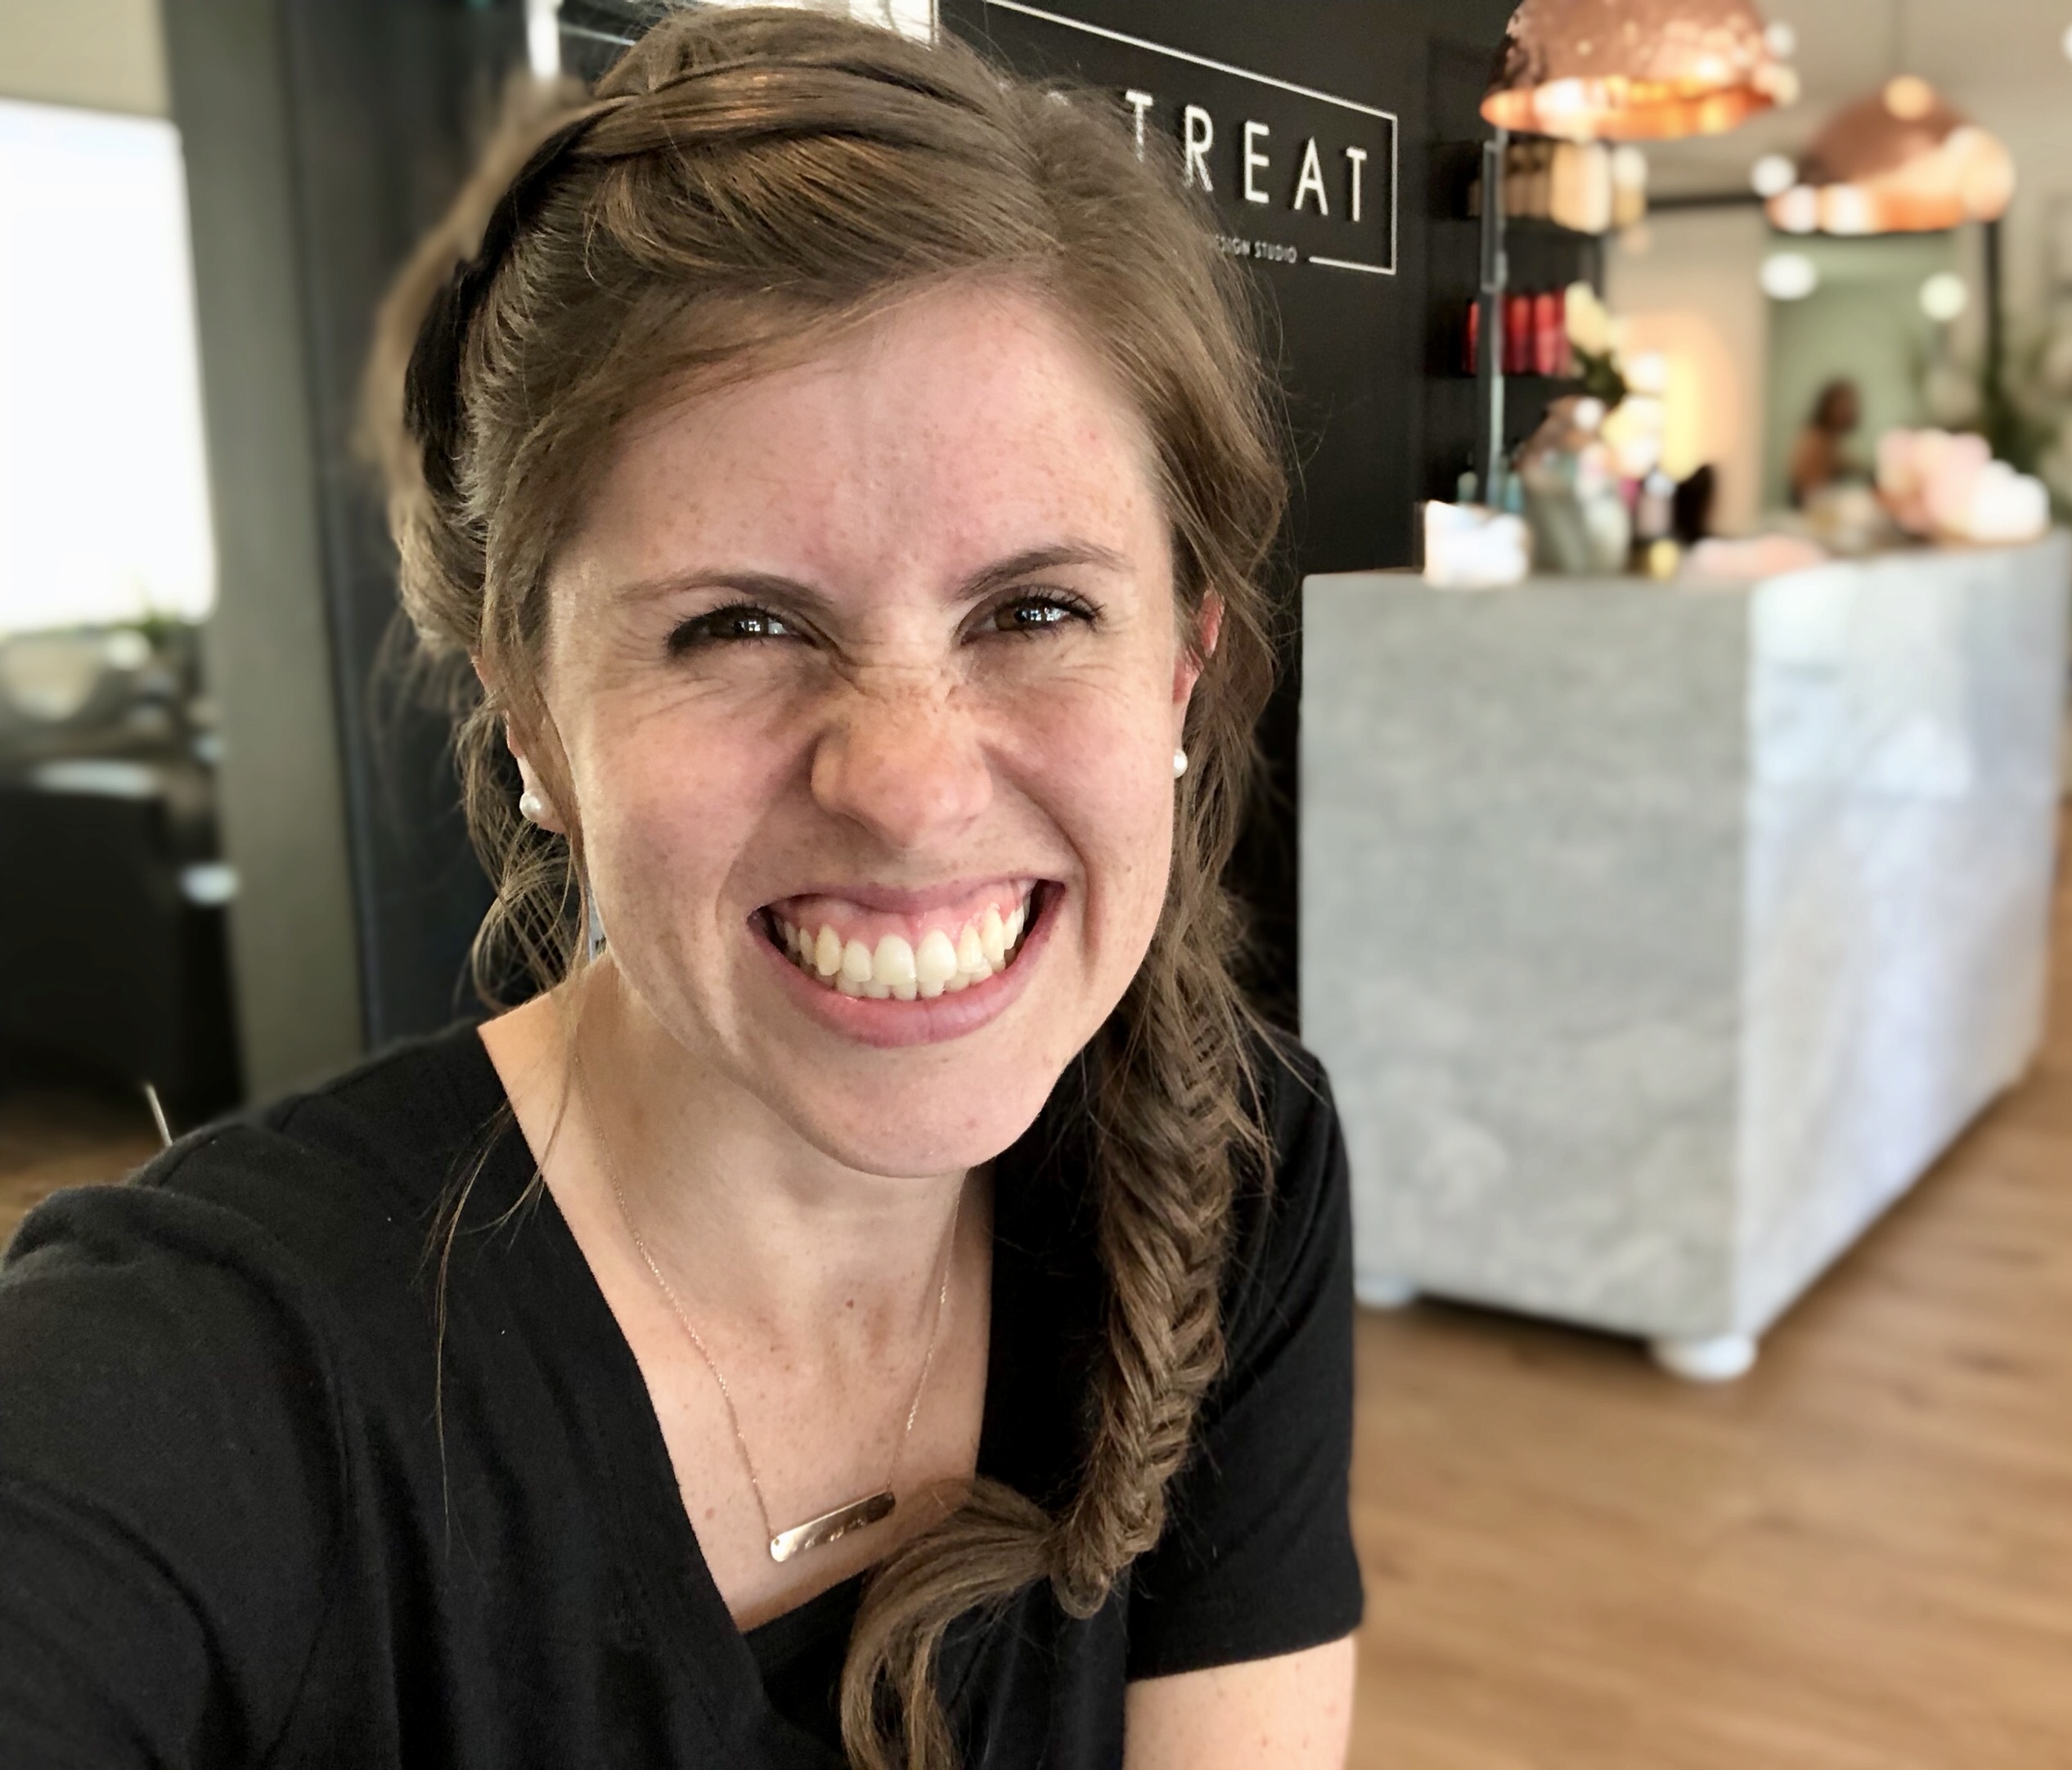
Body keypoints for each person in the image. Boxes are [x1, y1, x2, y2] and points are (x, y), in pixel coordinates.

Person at [0, 11, 1360, 1768]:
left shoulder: (1231, 1162)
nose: (911, 779)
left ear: (1179, 673)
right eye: (739, 624)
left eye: (1035, 610)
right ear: (534, 721)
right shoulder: (198, 1379)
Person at [1787, 375, 1863, 507]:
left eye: (1850, 404)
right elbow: (1808, 487)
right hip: (1809, 509)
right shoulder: (1815, 438)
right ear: (1828, 405)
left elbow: (1844, 463)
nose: (1847, 410)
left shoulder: (1832, 438)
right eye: (1842, 405)